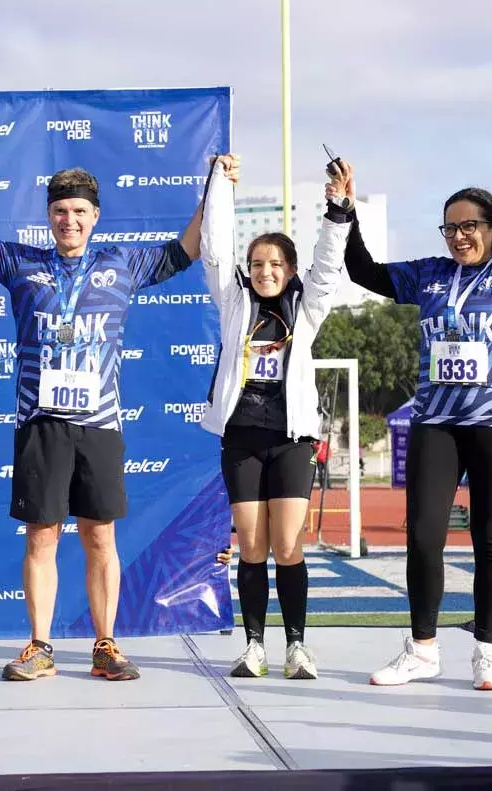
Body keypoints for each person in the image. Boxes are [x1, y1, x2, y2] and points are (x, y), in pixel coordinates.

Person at [0, 163, 206, 682]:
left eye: (79, 211)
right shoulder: (21, 264)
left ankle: (106, 644)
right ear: (49, 216)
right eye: (60, 211)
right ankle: (39, 646)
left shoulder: (122, 264)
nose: (69, 220)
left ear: (95, 216)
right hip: (42, 422)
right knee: (42, 537)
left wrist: (218, 186)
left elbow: (185, 249)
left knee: (100, 537)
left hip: (99, 425)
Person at [345, 100, 492, 691]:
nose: (459, 235)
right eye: (450, 227)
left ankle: (487, 652)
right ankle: (422, 649)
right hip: (437, 421)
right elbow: (363, 271)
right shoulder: (428, 274)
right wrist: (342, 210)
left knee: (491, 537)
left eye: (470, 225)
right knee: (423, 534)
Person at [198, 152, 354, 681]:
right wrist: (219, 185)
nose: (265, 272)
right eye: (258, 263)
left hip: (291, 439)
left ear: (289, 272)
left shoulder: (305, 308)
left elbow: (329, 265)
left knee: (287, 546)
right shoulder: (232, 302)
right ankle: (254, 646)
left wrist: (337, 208)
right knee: (252, 546)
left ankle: (296, 646)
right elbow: (214, 250)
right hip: (241, 436)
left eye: (276, 265)